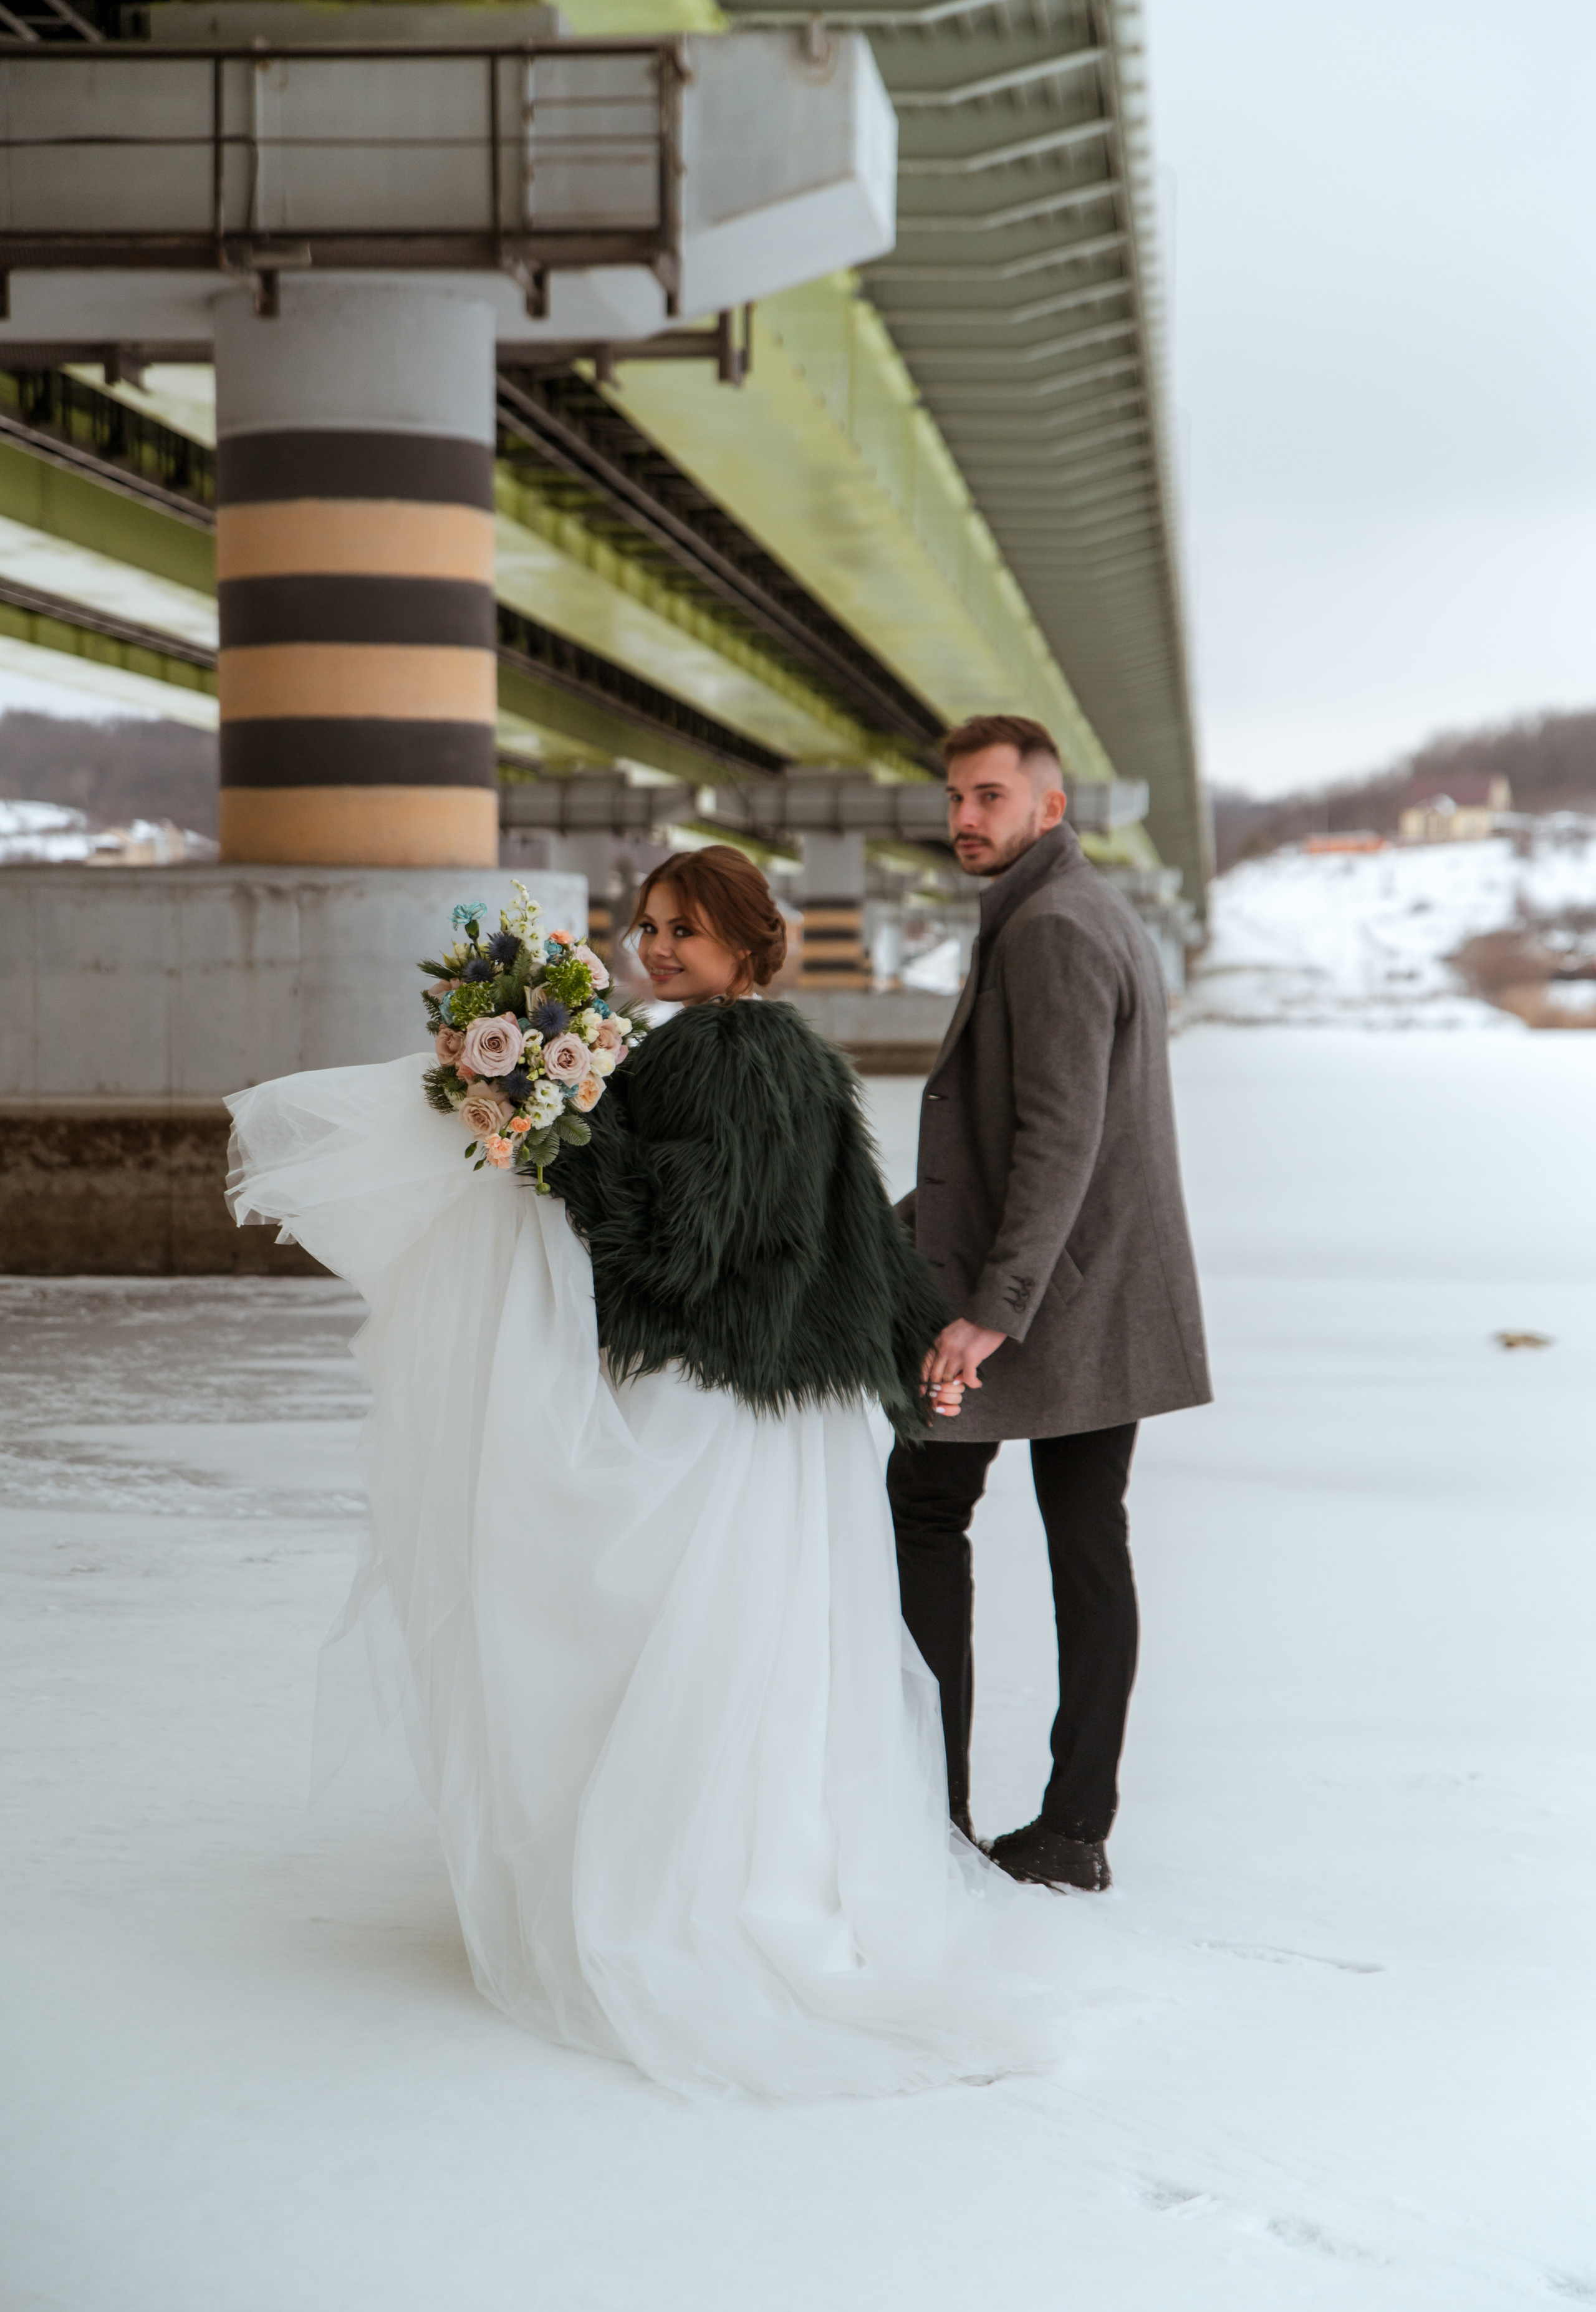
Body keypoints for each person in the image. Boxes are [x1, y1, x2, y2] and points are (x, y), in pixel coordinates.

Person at [226, 844, 1070, 2100]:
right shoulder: (777, 1055)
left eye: (686, 925)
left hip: (722, 1408)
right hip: (781, 1411)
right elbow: (836, 1241)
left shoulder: (717, 1056)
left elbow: (679, 1250)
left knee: (666, 1636)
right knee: (755, 1658)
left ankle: (691, 1890)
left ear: (744, 939)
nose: (658, 944)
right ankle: (758, 1871)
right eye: (648, 921)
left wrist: (552, 1147)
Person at [888, 716, 1211, 1895]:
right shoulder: (1072, 911)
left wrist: (991, 1308)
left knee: (926, 1511)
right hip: (1103, 1288)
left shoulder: (1054, 928)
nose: (966, 817)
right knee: (1084, 1543)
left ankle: (933, 1811)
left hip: (1042, 1297)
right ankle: (1071, 1827)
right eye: (956, 798)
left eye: (989, 796)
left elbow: (1058, 1137)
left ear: (1050, 807)